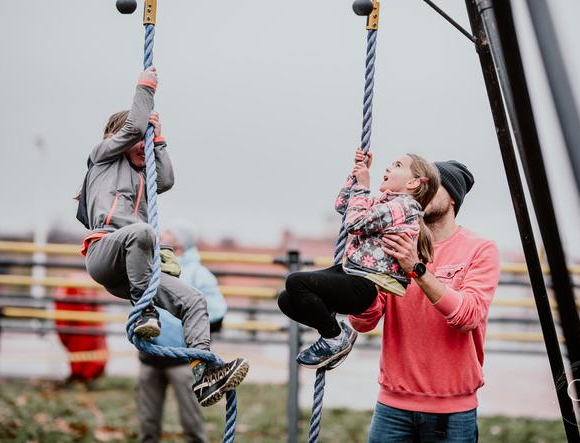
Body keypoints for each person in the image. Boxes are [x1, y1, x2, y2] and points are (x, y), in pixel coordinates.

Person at [77, 67, 248, 407]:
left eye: (146, 141)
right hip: (106, 253)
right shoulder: (102, 159)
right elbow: (131, 127)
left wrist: (160, 140)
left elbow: (166, 178)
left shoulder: (144, 175)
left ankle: (203, 374)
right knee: (141, 231)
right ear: (121, 138)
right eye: (137, 140)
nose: (142, 145)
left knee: (194, 301)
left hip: (136, 264)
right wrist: (145, 88)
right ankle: (143, 312)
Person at [349, 160, 499, 442]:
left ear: (452, 198)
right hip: (392, 406)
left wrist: (416, 268)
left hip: (452, 412)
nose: (423, 187)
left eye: (433, 183)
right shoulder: (395, 243)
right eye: (419, 181)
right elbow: (363, 322)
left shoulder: (480, 249)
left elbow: (467, 316)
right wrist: (358, 282)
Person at [278, 149, 440, 369]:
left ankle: (333, 338)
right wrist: (356, 176)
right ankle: (336, 333)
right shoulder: (385, 203)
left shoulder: (403, 207)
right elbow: (344, 207)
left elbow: (354, 224)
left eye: (398, 165)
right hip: (351, 273)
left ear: (413, 183)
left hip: (365, 284)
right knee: (286, 299)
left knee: (295, 282)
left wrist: (364, 186)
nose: (388, 167)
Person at [136, 223, 228, 443]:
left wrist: (184, 326)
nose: (162, 233)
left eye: (169, 232)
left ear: (181, 241)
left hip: (182, 360)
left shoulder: (198, 273)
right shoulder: (153, 267)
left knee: (191, 420)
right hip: (151, 356)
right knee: (147, 420)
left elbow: (215, 309)